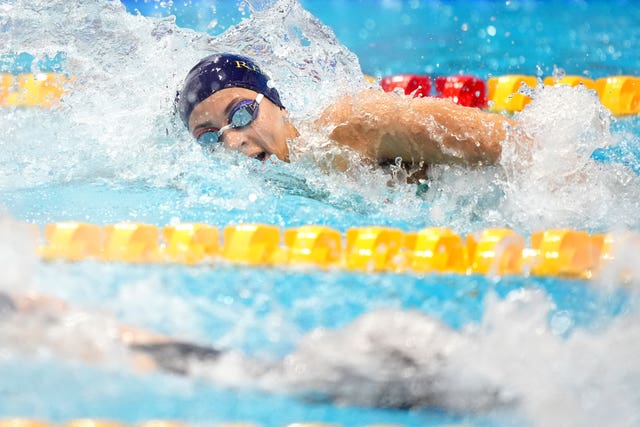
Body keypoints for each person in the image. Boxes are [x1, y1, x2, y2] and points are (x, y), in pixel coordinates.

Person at [176, 53, 518, 173]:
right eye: (209, 139)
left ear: (276, 102)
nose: (232, 141)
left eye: (240, 114)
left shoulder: (352, 125)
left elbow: (514, 143)